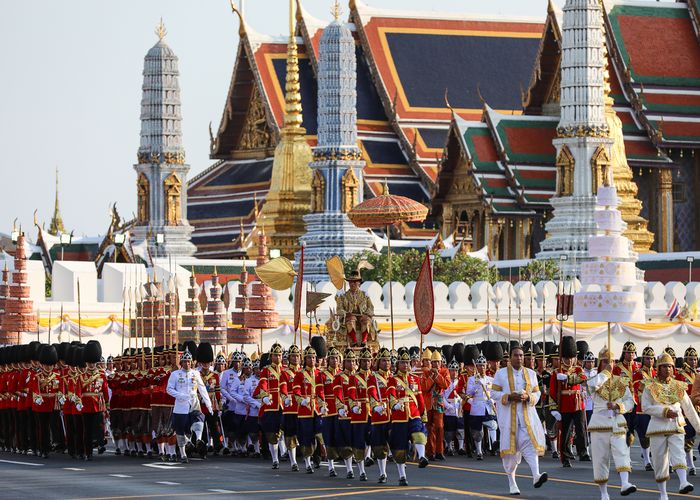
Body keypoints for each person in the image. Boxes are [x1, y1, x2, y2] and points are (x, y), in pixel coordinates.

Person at [491, 346, 548, 495]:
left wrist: (528, 397)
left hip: (526, 419)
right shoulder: (501, 374)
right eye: (516, 355)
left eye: (521, 355)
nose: (519, 358)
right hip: (508, 419)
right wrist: (509, 397)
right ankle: (512, 482)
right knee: (510, 454)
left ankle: (536, 475)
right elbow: (493, 393)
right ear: (510, 358)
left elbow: (537, 393)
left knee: (530, 446)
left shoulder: (530, 373)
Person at [642, 352, 700, 499]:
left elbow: (689, 409)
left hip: (676, 426)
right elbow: (646, 407)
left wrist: (699, 427)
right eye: (664, 366)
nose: (668, 369)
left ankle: (683, 482)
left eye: (670, 366)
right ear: (659, 368)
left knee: (679, 454)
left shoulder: (678, 386)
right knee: (660, 462)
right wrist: (664, 411)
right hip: (657, 428)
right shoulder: (650, 386)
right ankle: (663, 493)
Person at [585, 346, 637, 499]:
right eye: (606, 362)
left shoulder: (621, 381)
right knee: (600, 459)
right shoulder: (595, 379)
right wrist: (606, 373)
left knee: (622, 452)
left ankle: (625, 483)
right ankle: (603, 492)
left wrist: (619, 406)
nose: (610, 364)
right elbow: (592, 385)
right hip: (599, 424)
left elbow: (630, 401)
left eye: (612, 362)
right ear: (600, 363)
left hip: (617, 422)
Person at [388, 348, 429, 486]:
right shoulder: (392, 380)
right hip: (399, 416)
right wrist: (394, 405)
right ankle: (402, 476)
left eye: (407, 362)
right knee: (400, 448)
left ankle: (422, 457)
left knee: (419, 434)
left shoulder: (415, 379)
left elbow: (420, 398)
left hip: (414, 412)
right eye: (403, 363)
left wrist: (423, 414)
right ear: (398, 364)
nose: (405, 365)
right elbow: (391, 395)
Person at [165, 348, 213, 464]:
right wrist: (180, 396)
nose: (187, 363)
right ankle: (183, 454)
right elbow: (169, 389)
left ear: (192, 362)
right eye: (185, 361)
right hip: (180, 405)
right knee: (181, 430)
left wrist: (209, 405)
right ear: (181, 363)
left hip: (194, 401)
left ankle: (198, 439)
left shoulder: (195, 373)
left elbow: (202, 390)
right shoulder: (175, 374)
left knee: (199, 418)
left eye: (189, 361)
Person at [549, 336, 589, 467]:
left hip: (578, 403)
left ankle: (583, 451)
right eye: (567, 358)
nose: (570, 360)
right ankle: (565, 457)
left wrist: (568, 378)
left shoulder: (578, 369)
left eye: (571, 357)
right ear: (562, 358)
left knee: (581, 428)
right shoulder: (556, 372)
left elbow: (582, 378)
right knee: (565, 432)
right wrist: (554, 409)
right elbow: (553, 392)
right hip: (564, 405)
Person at [292, 345, 326, 473]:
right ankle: (307, 462)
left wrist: (323, 404)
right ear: (305, 359)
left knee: (320, 431)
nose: (312, 360)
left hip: (316, 407)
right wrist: (301, 400)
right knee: (306, 437)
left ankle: (323, 451)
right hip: (305, 409)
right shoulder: (299, 374)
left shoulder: (319, 374)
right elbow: (296, 390)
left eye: (313, 358)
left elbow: (321, 390)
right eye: (309, 358)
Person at [253, 343, 284, 469]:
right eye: (275, 355)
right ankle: (275, 459)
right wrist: (265, 395)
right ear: (271, 356)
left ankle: (288, 455)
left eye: (280, 355)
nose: (278, 358)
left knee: (286, 431)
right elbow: (263, 384)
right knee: (272, 435)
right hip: (270, 406)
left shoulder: (286, 370)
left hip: (284, 406)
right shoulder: (266, 370)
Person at [368, 347, 393, 483]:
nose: (386, 363)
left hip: (394, 413)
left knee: (397, 439)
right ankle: (382, 472)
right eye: (383, 360)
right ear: (378, 362)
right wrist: (376, 405)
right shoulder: (373, 378)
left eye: (388, 360)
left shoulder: (394, 377)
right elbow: (372, 393)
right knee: (379, 445)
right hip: (379, 413)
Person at [466, 353, 497, 460]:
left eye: (483, 365)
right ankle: (479, 451)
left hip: (488, 406)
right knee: (477, 431)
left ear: (486, 366)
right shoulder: (471, 379)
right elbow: (468, 392)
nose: (481, 367)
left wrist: (492, 400)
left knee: (493, 425)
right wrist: (476, 385)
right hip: (477, 407)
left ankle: (494, 444)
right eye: (479, 365)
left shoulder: (491, 379)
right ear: (477, 367)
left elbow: (494, 393)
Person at [421, 349, 450, 461]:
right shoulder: (426, 373)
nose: (436, 364)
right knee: (429, 428)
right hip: (428, 404)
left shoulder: (444, 371)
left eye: (438, 362)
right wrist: (432, 377)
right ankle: (430, 452)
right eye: (434, 362)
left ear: (441, 362)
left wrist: (437, 375)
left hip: (438, 403)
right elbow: (425, 388)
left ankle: (439, 451)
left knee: (439, 427)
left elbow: (445, 384)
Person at [335, 270, 376, 347]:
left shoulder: (365, 295)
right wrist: (345, 313)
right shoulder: (343, 296)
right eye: (350, 282)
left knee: (366, 320)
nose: (352, 284)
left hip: (362, 316)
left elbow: (370, 307)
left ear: (359, 283)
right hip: (349, 318)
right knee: (351, 319)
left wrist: (366, 314)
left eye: (354, 282)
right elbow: (339, 309)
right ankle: (354, 341)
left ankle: (363, 341)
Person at [632, 346, 656, 471]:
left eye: (652, 358)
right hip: (642, 408)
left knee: (657, 435)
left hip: (656, 408)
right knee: (644, 435)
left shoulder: (656, 373)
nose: (650, 361)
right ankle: (647, 460)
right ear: (643, 359)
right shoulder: (638, 373)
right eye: (647, 358)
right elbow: (637, 390)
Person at [675, 347, 698, 474]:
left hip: (698, 409)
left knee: (693, 437)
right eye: (691, 359)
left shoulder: (698, 374)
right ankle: (690, 465)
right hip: (686, 411)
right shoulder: (679, 375)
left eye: (695, 359)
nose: (693, 362)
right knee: (688, 438)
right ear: (685, 360)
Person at [614, 341, 640, 447]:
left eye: (633, 352)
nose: (631, 355)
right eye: (628, 352)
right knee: (625, 427)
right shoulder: (617, 368)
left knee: (634, 426)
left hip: (637, 401)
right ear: (624, 353)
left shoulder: (639, 367)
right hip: (624, 400)